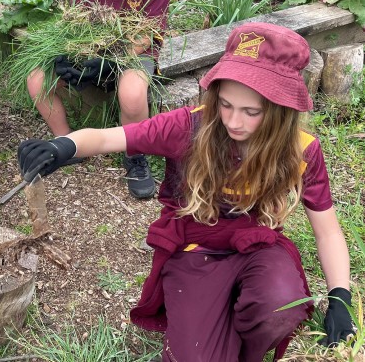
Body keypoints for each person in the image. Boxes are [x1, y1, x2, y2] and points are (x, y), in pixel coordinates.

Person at [18, 23, 353, 361]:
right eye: (225, 104)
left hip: (257, 245)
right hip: (197, 248)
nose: (234, 121)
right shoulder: (192, 126)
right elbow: (110, 137)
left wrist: (341, 296)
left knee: (279, 308)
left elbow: (327, 231)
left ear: (281, 111)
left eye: (252, 112)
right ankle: (212, 325)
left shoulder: (301, 150)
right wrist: (62, 146)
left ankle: (241, 334)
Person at [26, 0, 172, 199]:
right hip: (91, 45)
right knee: (36, 80)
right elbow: (79, 18)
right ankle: (66, 142)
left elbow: (147, 32)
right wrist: (69, 54)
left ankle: (135, 153)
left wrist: (108, 61)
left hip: (133, 50)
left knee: (132, 92)